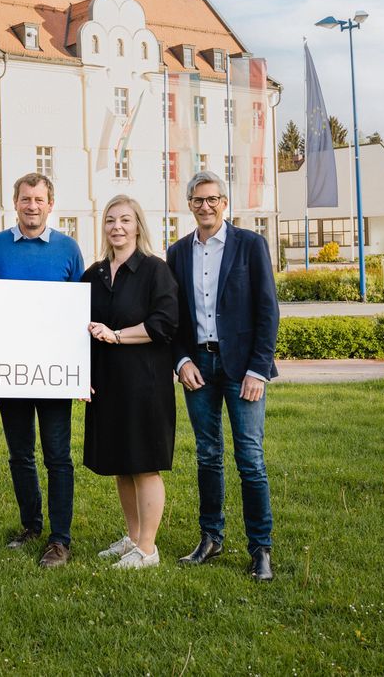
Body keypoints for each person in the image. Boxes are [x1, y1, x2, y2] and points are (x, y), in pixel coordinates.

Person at [166, 170, 279, 582]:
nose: (205, 206)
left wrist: (258, 370)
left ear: (224, 202)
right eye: (198, 200)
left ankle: (260, 548)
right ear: (190, 204)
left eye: (212, 199)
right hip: (199, 368)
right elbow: (173, 317)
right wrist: (181, 362)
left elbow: (268, 312)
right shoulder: (177, 252)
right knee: (207, 455)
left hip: (243, 370)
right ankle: (211, 537)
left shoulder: (250, 245)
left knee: (250, 459)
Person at [0, 172, 84, 568]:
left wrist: (80, 370)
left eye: (39, 199)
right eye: (25, 199)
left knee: (58, 456)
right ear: (15, 201)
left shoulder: (68, 249)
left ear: (50, 204)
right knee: (20, 454)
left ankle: (60, 539)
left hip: (55, 372)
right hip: (10, 370)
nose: (32, 206)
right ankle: (31, 525)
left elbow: (80, 311)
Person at [83, 195, 179, 570]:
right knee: (122, 463)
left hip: (146, 382)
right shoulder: (94, 274)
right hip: (108, 382)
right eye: (110, 220)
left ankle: (149, 550)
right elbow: (81, 329)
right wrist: (81, 376)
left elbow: (165, 324)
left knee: (144, 464)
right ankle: (133, 538)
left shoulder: (156, 271)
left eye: (125, 220)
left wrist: (117, 335)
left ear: (138, 225)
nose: (117, 227)